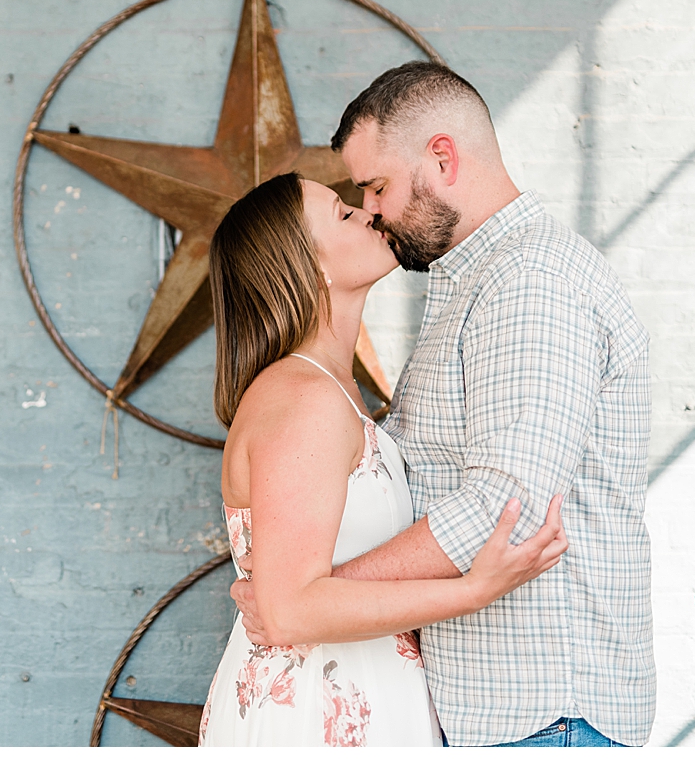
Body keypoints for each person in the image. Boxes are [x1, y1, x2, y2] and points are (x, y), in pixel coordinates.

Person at [235, 61, 655, 747]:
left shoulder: (529, 281)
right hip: (494, 713)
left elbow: (505, 508)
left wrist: (309, 597)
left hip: (540, 715)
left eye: (377, 187)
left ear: (442, 158)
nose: (371, 210)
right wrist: (302, 598)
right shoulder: (472, 284)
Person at [198, 170, 568, 748]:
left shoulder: (331, 390)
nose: (368, 212)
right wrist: (474, 592)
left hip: (362, 693)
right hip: (314, 715)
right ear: (306, 265)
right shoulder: (304, 398)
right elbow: (291, 609)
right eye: (343, 213)